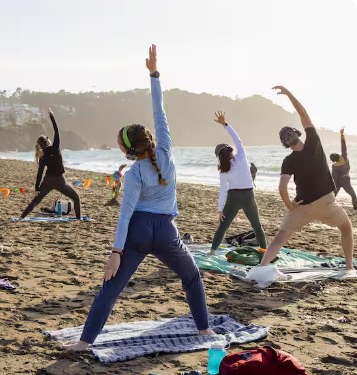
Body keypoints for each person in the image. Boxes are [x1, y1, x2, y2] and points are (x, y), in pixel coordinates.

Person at [63, 45, 215, 352]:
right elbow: (160, 111)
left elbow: (125, 215)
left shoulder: (132, 174)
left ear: (129, 150)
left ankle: (84, 342)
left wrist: (115, 252)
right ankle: (205, 330)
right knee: (192, 276)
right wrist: (154, 74)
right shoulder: (166, 152)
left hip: (138, 232)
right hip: (167, 232)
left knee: (111, 287)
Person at [255, 86, 354, 280]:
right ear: (286, 143)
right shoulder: (297, 154)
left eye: (288, 132)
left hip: (312, 205)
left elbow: (303, 114)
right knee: (345, 229)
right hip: (315, 204)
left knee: (281, 238)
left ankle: (262, 267)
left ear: (296, 133)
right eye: (284, 136)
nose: (287, 135)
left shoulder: (307, 146)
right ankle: (349, 267)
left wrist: (288, 94)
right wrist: (289, 205)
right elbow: (282, 187)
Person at [208, 111, 267, 255]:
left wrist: (220, 209)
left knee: (223, 227)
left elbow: (223, 190)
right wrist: (225, 124)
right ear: (230, 150)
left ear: (218, 156)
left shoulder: (223, 170)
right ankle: (264, 251)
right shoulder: (241, 156)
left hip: (233, 198)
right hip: (248, 197)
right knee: (257, 226)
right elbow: (237, 138)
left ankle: (212, 252)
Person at [19, 109, 81, 219]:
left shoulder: (42, 156)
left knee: (36, 201)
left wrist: (37, 187)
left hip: (48, 181)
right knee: (76, 198)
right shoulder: (55, 147)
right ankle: (78, 219)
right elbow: (56, 131)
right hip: (60, 181)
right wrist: (52, 117)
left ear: (40, 146)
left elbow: (40, 172)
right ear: (47, 141)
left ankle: (21, 218)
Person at [330, 127, 357, 210]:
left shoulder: (334, 166)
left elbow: (334, 178)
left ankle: (329, 207)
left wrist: (334, 186)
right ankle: (356, 208)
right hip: (345, 181)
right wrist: (342, 134)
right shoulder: (344, 156)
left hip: (338, 182)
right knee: (353, 195)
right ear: (338, 155)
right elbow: (343, 146)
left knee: (333, 196)